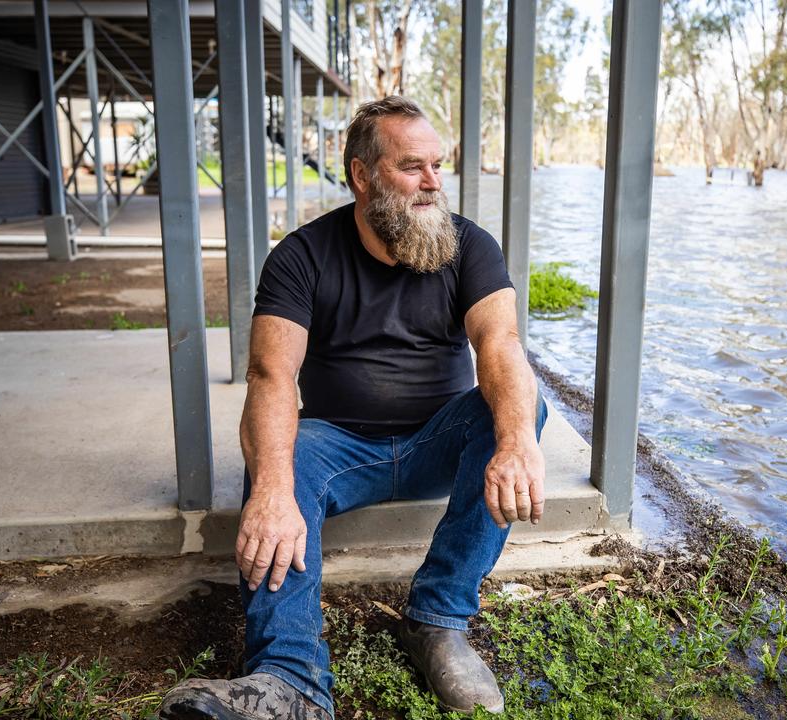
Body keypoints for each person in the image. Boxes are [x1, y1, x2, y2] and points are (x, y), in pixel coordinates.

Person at [160, 96, 547, 720]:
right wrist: (274, 489)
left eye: (436, 166)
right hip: (338, 447)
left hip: (436, 443)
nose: (431, 183)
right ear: (362, 175)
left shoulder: (468, 245)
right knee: (275, 462)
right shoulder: (302, 256)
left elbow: (499, 342)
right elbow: (271, 375)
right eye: (411, 167)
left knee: (519, 413)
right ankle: (292, 681)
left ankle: (438, 623)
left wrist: (516, 442)